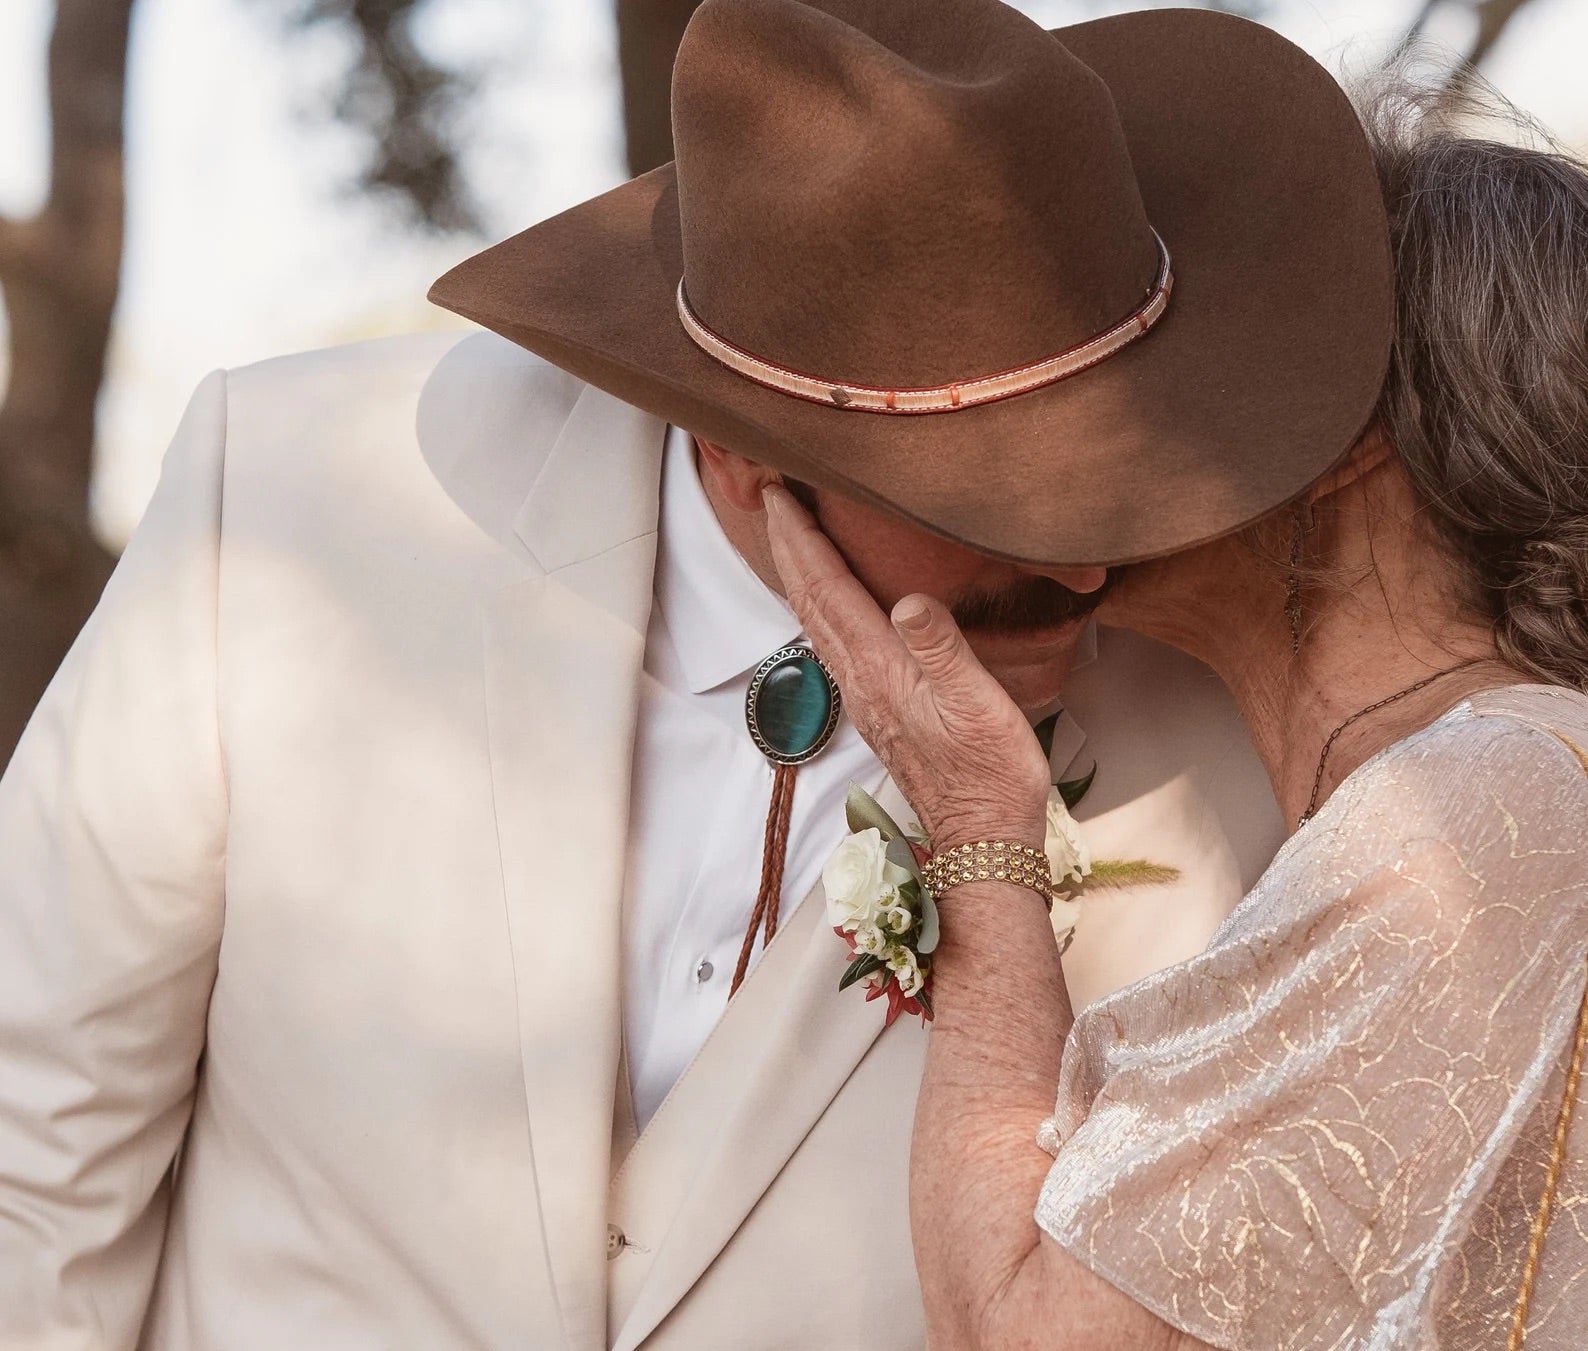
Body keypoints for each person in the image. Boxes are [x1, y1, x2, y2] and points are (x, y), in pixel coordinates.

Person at [0, 1, 1388, 1346]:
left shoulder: (1235, 717)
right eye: (994, 497)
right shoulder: (294, 496)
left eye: (1106, 465)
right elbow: (33, 1140)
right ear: (741, 444)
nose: (1088, 570)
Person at [762, 71, 1588, 1351]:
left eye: (1205, 369)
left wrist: (978, 827)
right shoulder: (1507, 784)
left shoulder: (1477, 813)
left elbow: (1020, 1332)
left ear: (1354, 429)